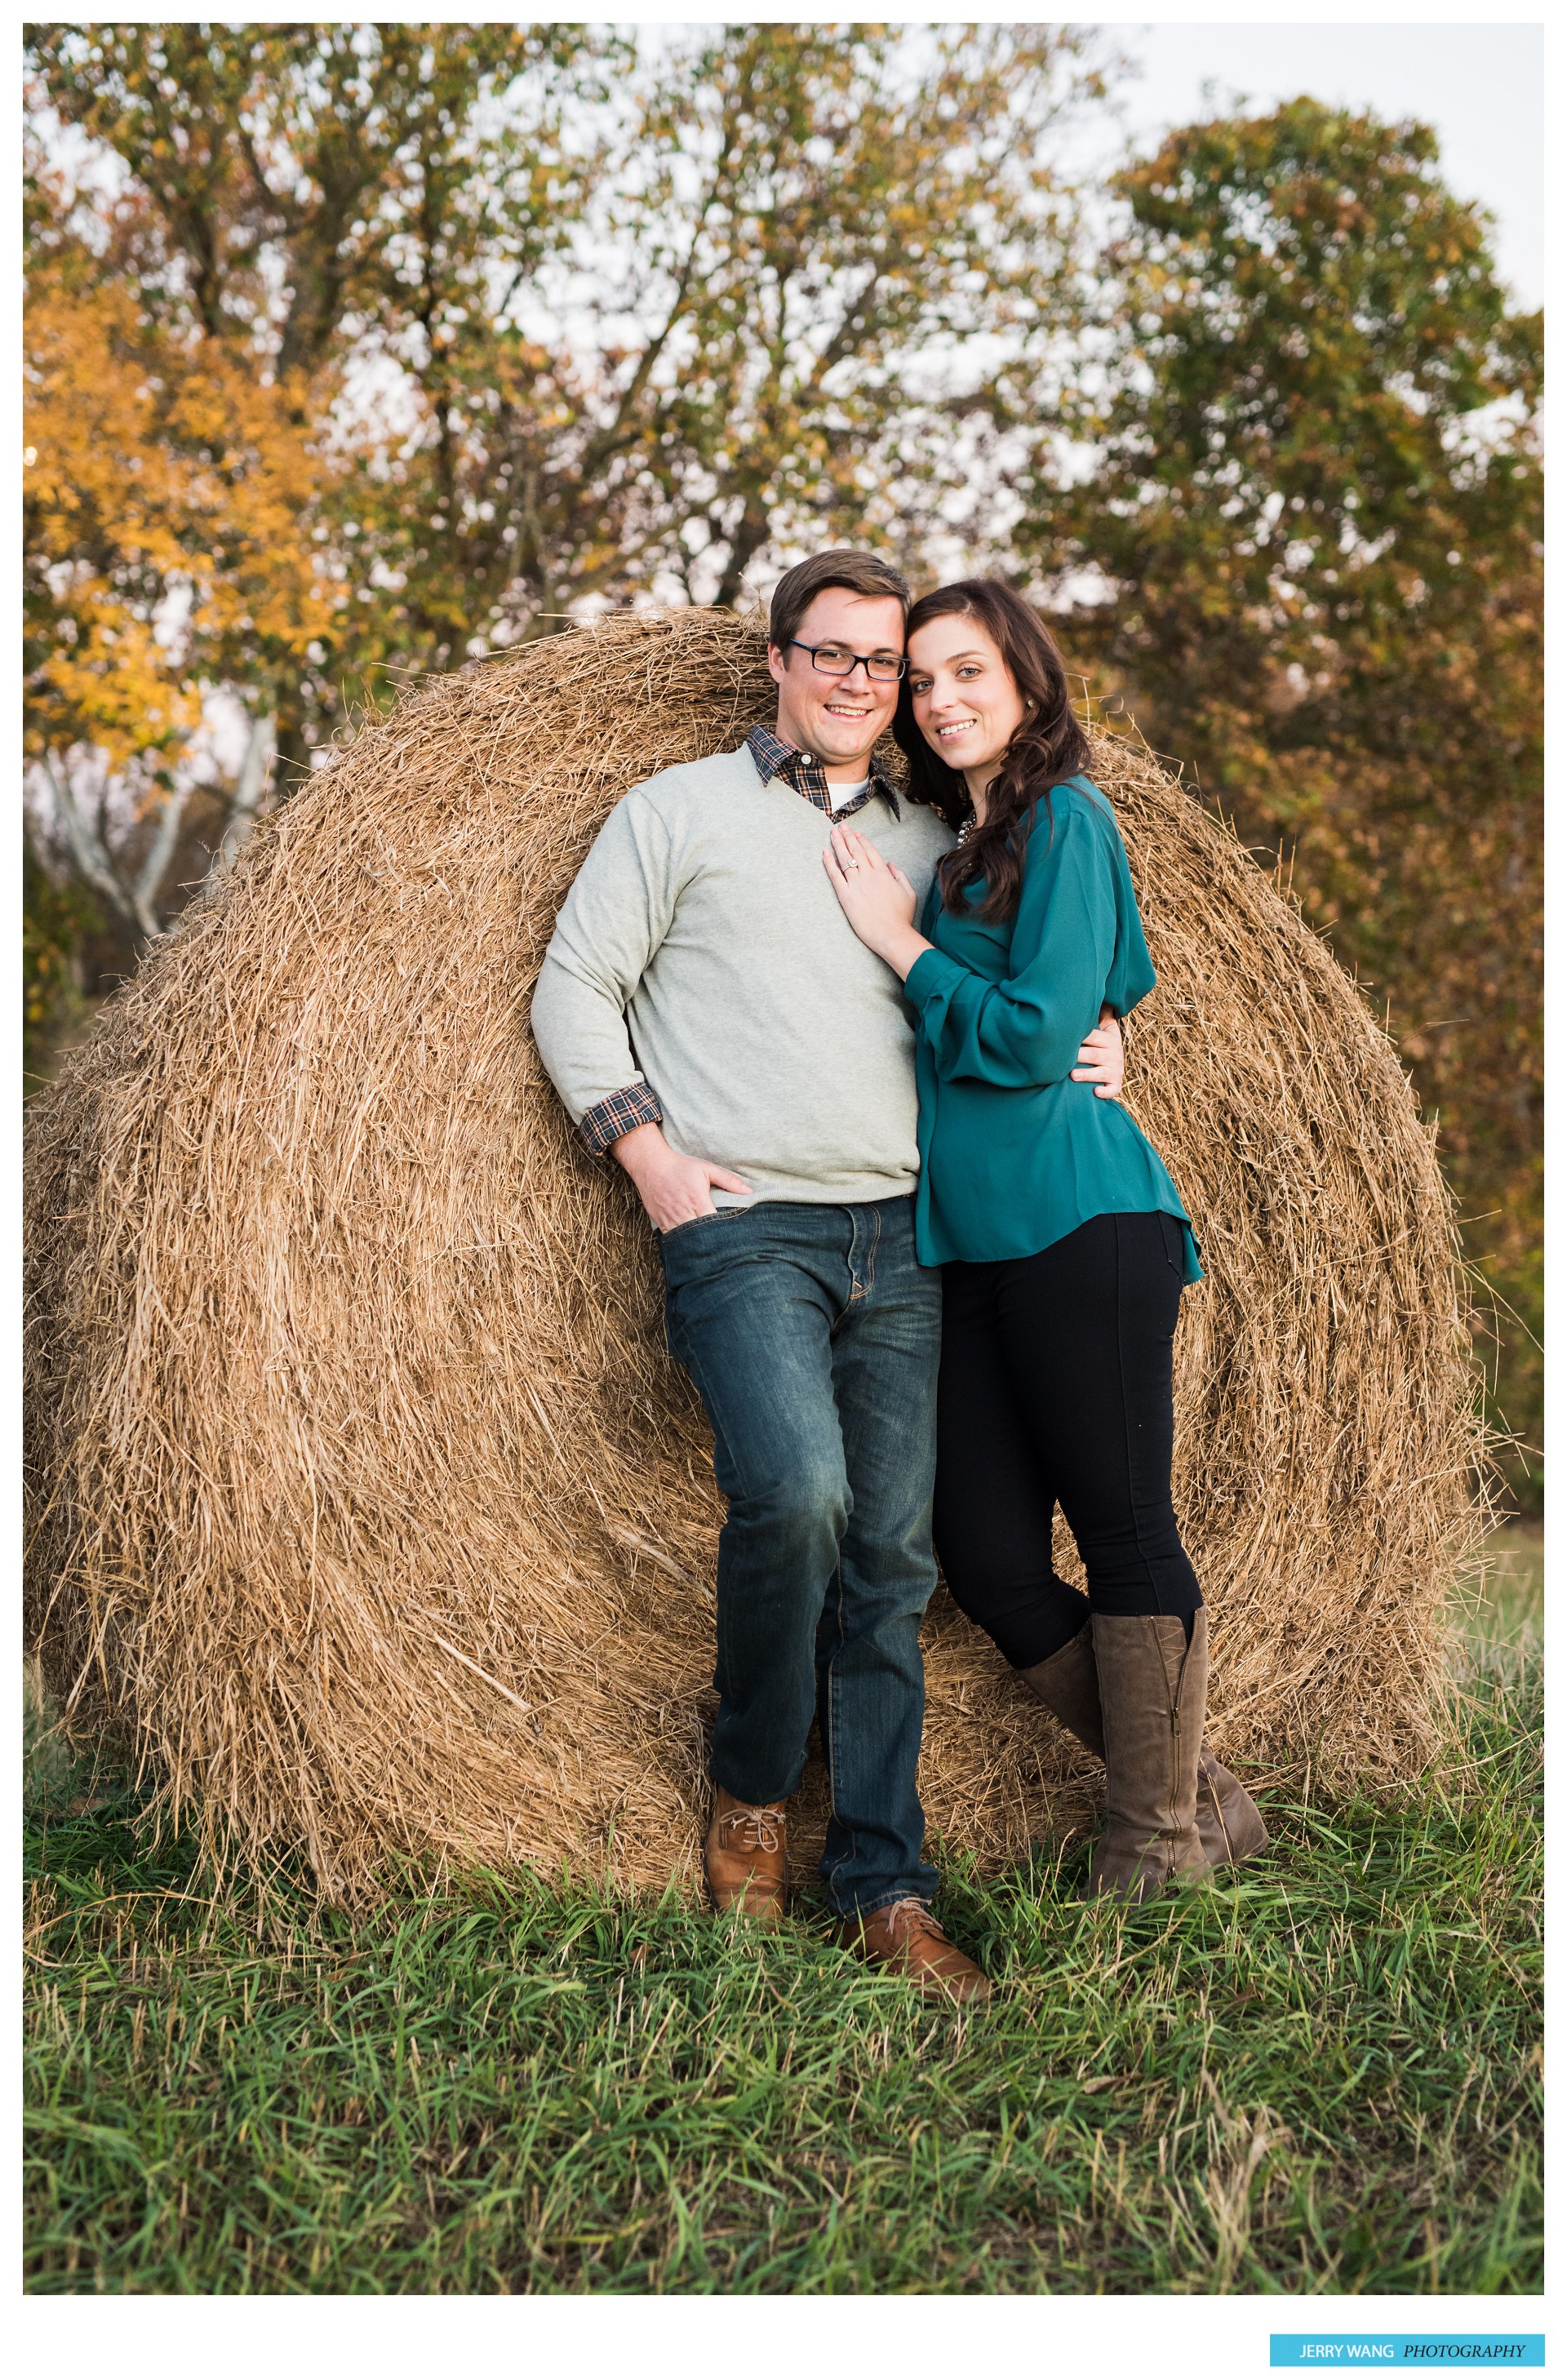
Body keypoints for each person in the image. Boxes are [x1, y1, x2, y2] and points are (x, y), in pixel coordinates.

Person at [530, 552, 1125, 1996]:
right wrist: (653, 1161)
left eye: (889, 664)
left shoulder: (945, 829)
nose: (868, 683)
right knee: (796, 1494)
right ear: (782, 660)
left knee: (896, 1558)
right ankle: (747, 1798)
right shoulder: (677, 811)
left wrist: (1112, 1039)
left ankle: (883, 1880)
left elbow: (1032, 979)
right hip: (745, 1231)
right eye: (837, 653)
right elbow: (574, 988)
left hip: (903, 1237)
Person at [822, 578, 1267, 1898]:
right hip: (967, 1247)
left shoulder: (1069, 816)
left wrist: (902, 949)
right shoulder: (964, 848)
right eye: (922, 681)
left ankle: (1150, 1855)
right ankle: (1195, 1801)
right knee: (989, 1556)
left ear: (1027, 684)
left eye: (969, 673)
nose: (939, 700)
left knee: (1124, 1530)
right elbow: (1079, 1003)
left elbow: (1030, 1037)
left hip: (1085, 1221)